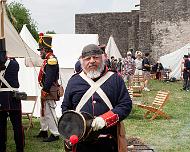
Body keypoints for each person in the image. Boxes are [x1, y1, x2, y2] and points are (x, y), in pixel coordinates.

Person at [61, 44, 132, 152]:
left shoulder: (115, 79)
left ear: (102, 58)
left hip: (108, 141)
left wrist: (105, 119)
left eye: (96, 57)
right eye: (87, 58)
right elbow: (66, 107)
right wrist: (69, 130)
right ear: (82, 61)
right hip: (81, 141)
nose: (92, 61)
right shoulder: (74, 81)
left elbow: (125, 104)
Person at [34, 33, 60, 142]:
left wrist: (45, 90)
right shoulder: (48, 59)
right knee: (43, 111)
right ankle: (44, 130)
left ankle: (55, 133)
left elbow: (49, 78)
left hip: (49, 89)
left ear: (45, 49)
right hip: (46, 88)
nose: (40, 52)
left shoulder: (51, 60)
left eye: (41, 50)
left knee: (49, 112)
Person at [0, 54, 24, 151]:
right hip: (14, 98)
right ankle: (20, 148)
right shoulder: (15, 63)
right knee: (17, 126)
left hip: (2, 98)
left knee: (1, 128)